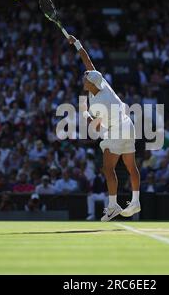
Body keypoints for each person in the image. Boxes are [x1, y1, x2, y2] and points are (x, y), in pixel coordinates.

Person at [68, 34, 140, 221]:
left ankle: (113, 205)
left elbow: (95, 123)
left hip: (117, 130)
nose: (84, 78)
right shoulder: (102, 85)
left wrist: (86, 115)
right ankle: (135, 201)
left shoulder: (99, 96)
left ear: (92, 83)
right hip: (127, 126)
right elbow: (86, 58)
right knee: (130, 166)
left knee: (108, 169)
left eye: (86, 78)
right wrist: (76, 43)